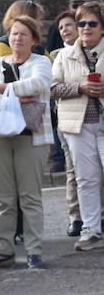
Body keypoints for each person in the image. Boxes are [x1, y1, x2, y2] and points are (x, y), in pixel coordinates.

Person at [0, 16, 53, 270]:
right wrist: (15, 98)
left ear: (34, 39)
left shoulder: (41, 62)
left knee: (30, 196)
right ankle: (3, 250)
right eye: (13, 33)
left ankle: (34, 251)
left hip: (32, 137)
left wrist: (3, 88)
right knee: (4, 197)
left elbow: (40, 84)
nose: (17, 38)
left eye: (23, 34)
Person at [52, 0, 104, 251]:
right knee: (86, 179)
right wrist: (79, 87)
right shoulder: (64, 55)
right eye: (81, 23)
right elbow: (51, 88)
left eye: (92, 23)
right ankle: (91, 229)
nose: (85, 28)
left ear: (102, 27)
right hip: (78, 124)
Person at [53, 12, 83, 233]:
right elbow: (52, 88)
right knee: (73, 170)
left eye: (69, 25)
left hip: (94, 118)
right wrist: (79, 88)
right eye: (61, 27)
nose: (65, 30)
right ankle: (76, 216)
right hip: (68, 120)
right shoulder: (55, 56)